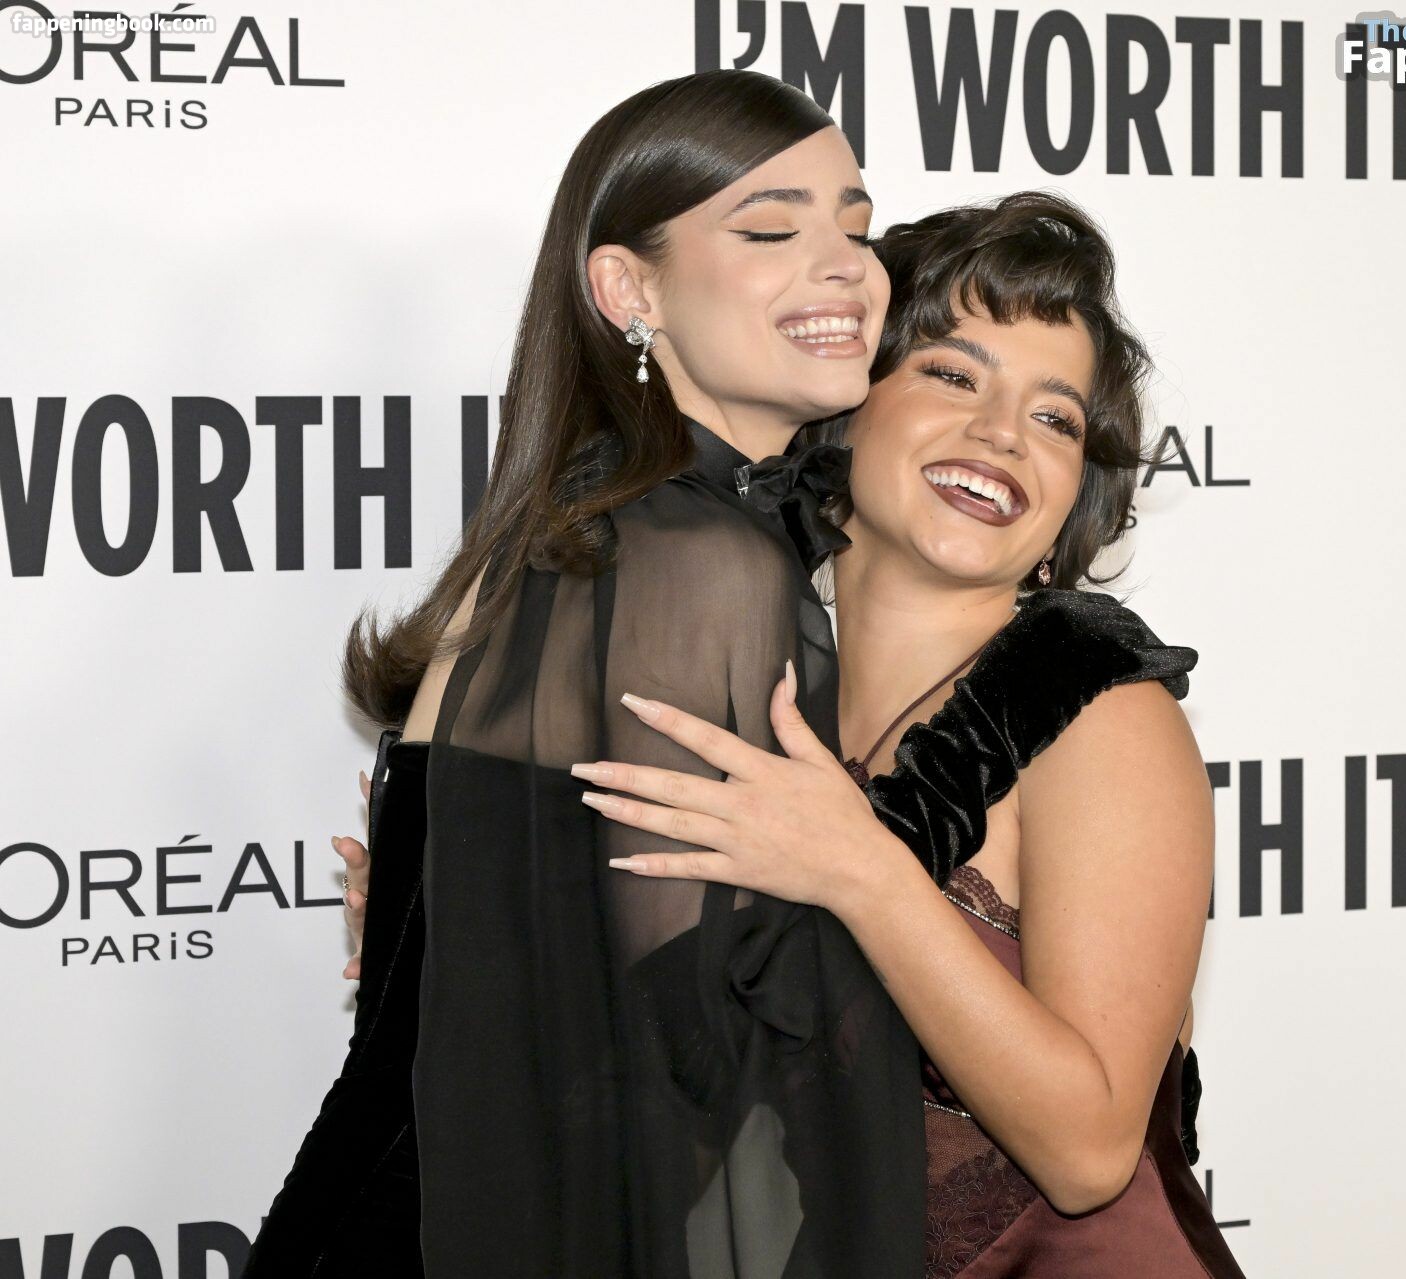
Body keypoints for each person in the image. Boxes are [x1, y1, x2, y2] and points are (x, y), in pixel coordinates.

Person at [334, 193, 1246, 1275]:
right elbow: (665, 1112)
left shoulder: (1102, 717)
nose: (1003, 433)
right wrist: (462, 946)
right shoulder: (741, 691)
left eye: (1055, 418)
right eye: (953, 375)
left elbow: (1089, 1153)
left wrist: (861, 868)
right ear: (846, 405)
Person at [244, 69, 928, 1278]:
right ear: (628, 289)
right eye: (770, 231)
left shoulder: (589, 532)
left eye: (856, 227)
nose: (844, 268)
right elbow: (694, 1055)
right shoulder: (694, 561)